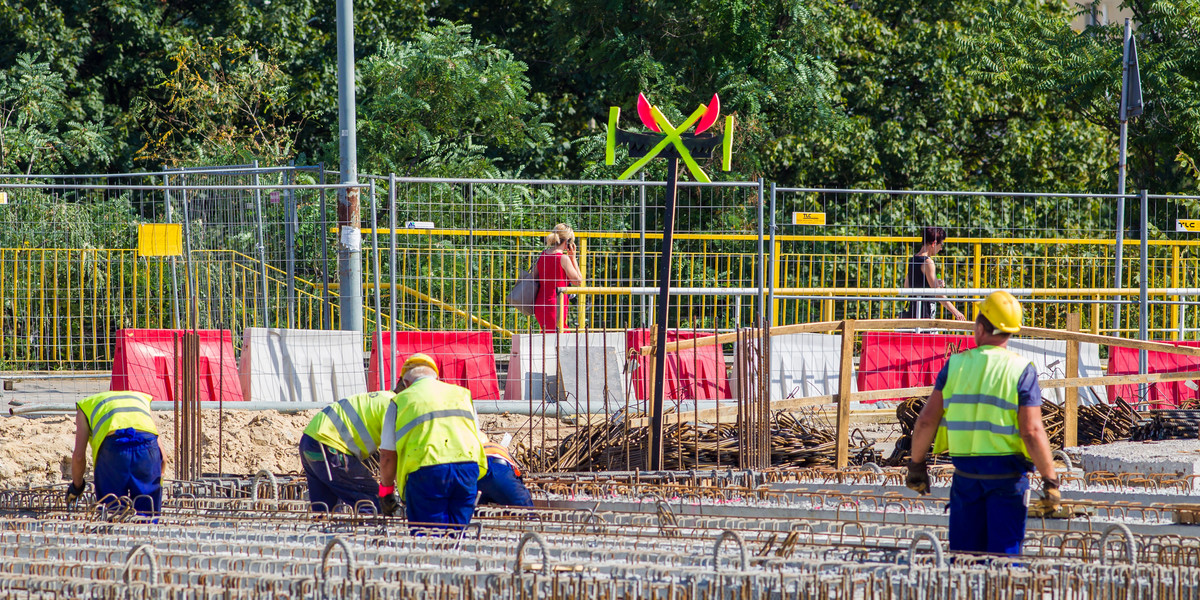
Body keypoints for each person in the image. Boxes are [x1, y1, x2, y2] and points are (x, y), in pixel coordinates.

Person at [905, 290, 1061, 555]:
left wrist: (916, 465)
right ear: (1011, 331)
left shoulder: (955, 365)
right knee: (1004, 559)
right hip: (1008, 478)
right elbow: (1032, 431)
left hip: (966, 477)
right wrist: (1051, 481)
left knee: (965, 559)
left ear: (979, 327)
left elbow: (925, 422)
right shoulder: (1021, 369)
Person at [379, 354, 488, 530]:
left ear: (406, 383)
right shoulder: (462, 394)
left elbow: (387, 456)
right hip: (467, 470)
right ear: (436, 377)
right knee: (458, 537)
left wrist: (386, 493)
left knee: (428, 540)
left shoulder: (400, 400)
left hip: (427, 472)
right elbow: (476, 436)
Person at [68, 390, 163, 516]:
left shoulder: (85, 407)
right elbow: (164, 458)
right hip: (147, 448)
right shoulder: (141, 401)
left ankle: (115, 531)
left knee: (112, 513)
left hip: (113, 450)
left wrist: (76, 487)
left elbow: (79, 456)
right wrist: (155, 478)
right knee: (147, 515)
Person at [299, 390, 395, 513]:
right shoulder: (395, 405)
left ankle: (323, 528)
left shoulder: (381, 397)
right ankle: (369, 530)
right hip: (329, 446)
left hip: (310, 441)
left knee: (324, 506)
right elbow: (390, 456)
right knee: (371, 501)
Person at [903, 227, 966, 321]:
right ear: (934, 243)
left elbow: (907, 286)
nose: (940, 249)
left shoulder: (913, 260)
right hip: (925, 312)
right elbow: (937, 293)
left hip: (913, 310)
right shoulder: (928, 262)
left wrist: (934, 283)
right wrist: (956, 312)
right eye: (941, 245)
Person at [533, 223, 584, 332]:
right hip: (555, 304)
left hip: (540, 303)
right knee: (560, 336)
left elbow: (534, 276)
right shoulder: (563, 258)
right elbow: (578, 280)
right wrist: (573, 258)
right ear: (568, 242)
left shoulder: (543, 255)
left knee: (548, 336)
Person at [476, 434, 534, 507]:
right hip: (499, 470)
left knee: (476, 512)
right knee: (526, 511)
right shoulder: (498, 448)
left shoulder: (476, 449)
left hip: (477, 474)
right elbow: (517, 476)